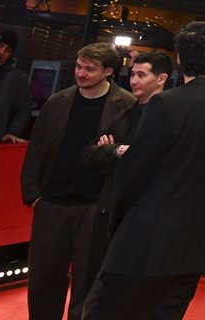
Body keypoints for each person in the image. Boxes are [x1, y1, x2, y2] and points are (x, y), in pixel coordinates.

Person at [83, 21, 205, 320]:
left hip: (145, 242)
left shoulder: (166, 105)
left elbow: (135, 172)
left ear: (180, 60)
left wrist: (119, 223)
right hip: (194, 245)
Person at [20, 42, 135, 320]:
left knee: (87, 285)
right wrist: (34, 196)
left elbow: (130, 156)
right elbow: (35, 151)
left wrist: (112, 151)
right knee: (43, 280)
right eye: (79, 66)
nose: (81, 73)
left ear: (108, 71)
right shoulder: (57, 101)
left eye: (90, 69)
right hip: (51, 204)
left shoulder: (127, 105)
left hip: (95, 208)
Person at [80, 51, 175, 316]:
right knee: (94, 288)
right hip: (108, 210)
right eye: (133, 74)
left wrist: (116, 156)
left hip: (143, 217)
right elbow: (89, 153)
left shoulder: (169, 116)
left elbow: (153, 165)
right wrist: (116, 152)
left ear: (161, 79)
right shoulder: (125, 113)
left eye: (141, 75)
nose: (134, 80)